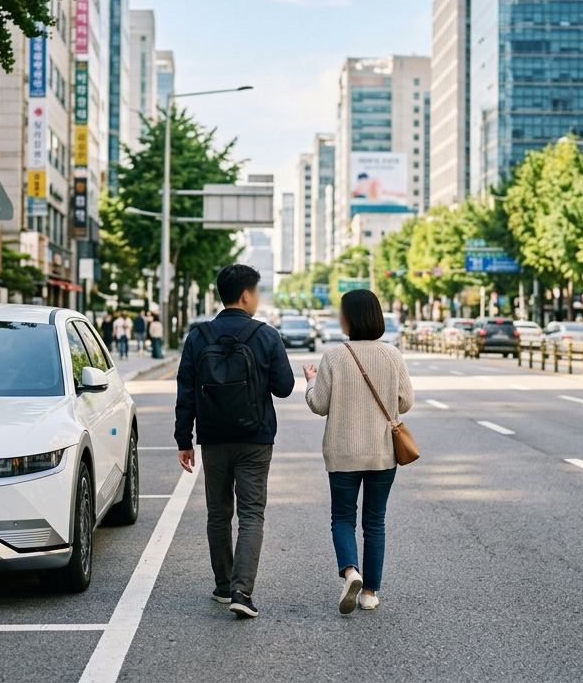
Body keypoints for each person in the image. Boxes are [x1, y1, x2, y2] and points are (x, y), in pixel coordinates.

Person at [175, 264, 294, 619]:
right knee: (251, 513)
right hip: (255, 438)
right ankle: (243, 592)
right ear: (245, 295)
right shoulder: (266, 335)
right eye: (257, 292)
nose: (258, 298)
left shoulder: (198, 336)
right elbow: (284, 387)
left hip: (213, 438)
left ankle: (223, 586)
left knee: (218, 513)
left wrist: (184, 439)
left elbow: (186, 393)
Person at [303, 289, 413, 614]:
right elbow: (406, 401)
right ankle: (369, 593)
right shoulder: (393, 355)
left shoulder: (334, 357)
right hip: (382, 453)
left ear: (349, 318)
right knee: (375, 522)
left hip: (343, 453)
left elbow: (319, 404)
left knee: (342, 517)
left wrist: (310, 382)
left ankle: (351, 571)